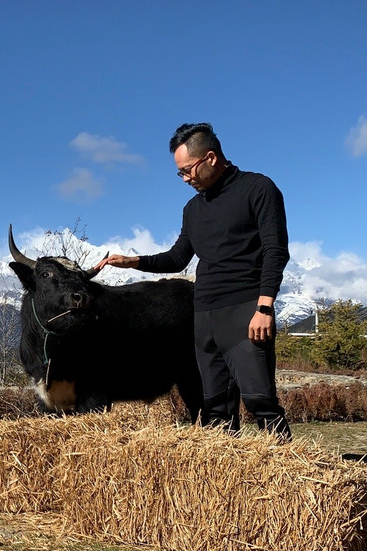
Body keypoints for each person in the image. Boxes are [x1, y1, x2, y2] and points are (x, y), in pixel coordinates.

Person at [95, 122, 292, 440]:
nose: (185, 179)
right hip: (205, 318)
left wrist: (265, 306)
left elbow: (276, 251)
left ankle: (288, 476)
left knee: (260, 402)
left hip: (245, 312)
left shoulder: (258, 189)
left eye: (187, 170)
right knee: (214, 409)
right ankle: (225, 482)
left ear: (210, 158)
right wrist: (134, 261)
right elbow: (177, 258)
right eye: (180, 173)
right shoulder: (193, 209)